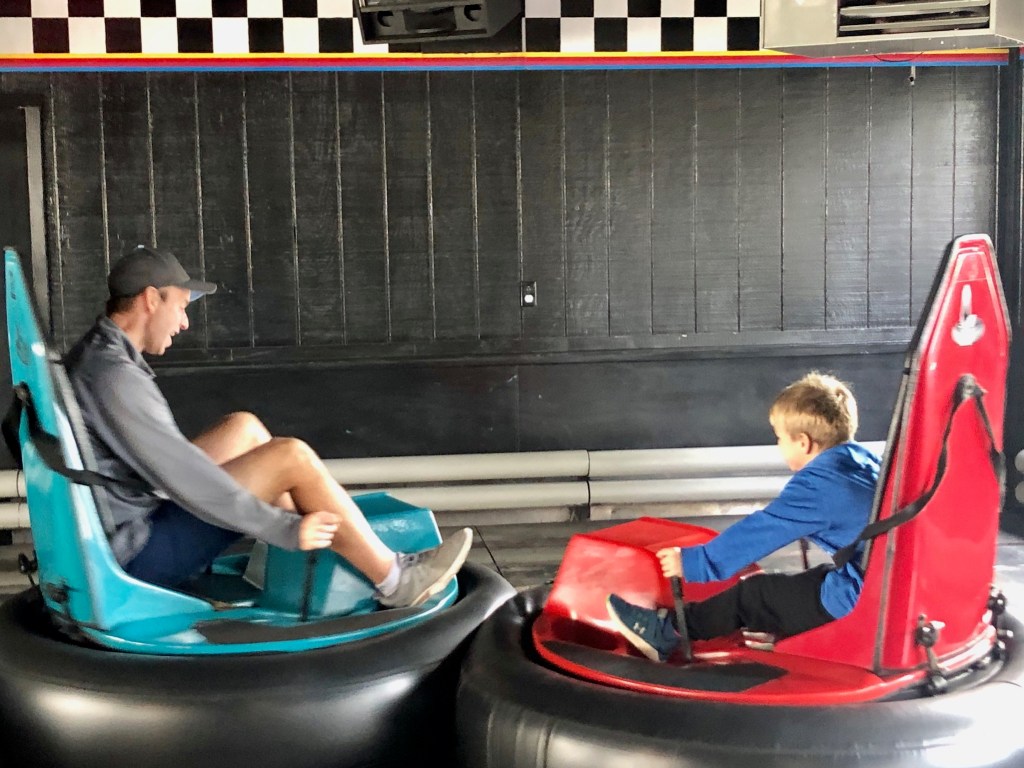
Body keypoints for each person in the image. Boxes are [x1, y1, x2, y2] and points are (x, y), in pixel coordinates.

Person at [63, 244, 472, 609]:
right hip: (138, 553)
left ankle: (308, 566)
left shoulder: (100, 354)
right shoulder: (114, 376)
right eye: (182, 306)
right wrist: (287, 528)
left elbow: (169, 466)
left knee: (243, 428)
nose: (185, 323)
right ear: (152, 299)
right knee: (289, 457)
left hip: (130, 515)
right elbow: (183, 475)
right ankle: (393, 578)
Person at [606, 372, 881, 662]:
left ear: (803, 442)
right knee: (813, 582)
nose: (779, 446)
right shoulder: (864, 461)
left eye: (780, 438)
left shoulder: (820, 486)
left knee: (754, 595)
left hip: (864, 597)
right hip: (877, 582)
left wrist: (693, 562)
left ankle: (666, 632)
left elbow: (762, 530)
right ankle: (785, 630)